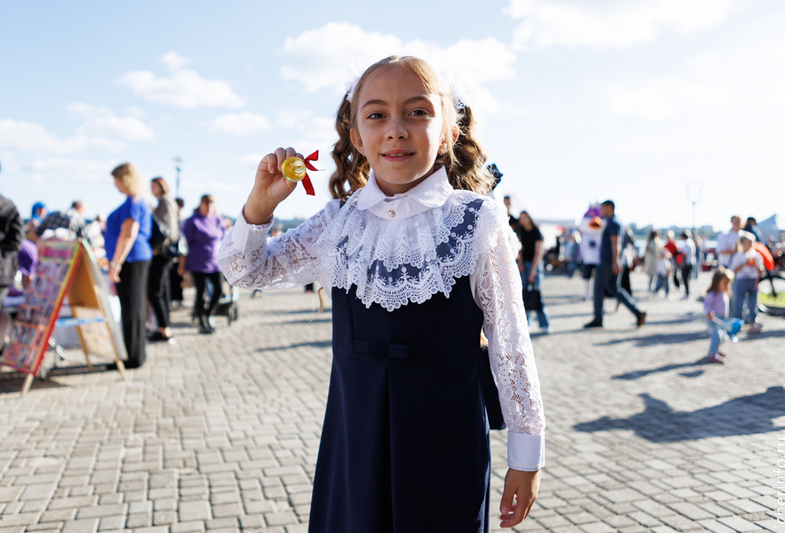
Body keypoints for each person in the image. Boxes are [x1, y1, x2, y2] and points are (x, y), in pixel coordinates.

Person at [218, 56, 544, 531]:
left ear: (449, 132)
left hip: (446, 442)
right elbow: (246, 271)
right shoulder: (339, 222)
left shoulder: (476, 221)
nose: (396, 130)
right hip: (354, 441)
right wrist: (260, 205)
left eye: (417, 112)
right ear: (356, 137)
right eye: (377, 115)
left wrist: (526, 455)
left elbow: (511, 343)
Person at [105, 163, 153, 369]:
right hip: (135, 259)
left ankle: (133, 356)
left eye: (116, 180)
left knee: (131, 309)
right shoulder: (137, 200)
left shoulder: (133, 201)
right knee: (135, 308)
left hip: (132, 260)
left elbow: (128, 234)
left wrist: (116, 264)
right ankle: (135, 354)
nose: (115, 185)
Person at [584, 200, 646, 328]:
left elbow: (616, 242)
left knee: (598, 289)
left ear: (609, 208)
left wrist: (615, 261)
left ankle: (598, 319)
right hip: (613, 261)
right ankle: (637, 312)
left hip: (609, 262)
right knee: (615, 289)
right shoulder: (616, 221)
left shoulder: (613, 222)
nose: (601, 210)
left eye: (603, 208)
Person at [180, 194, 226, 335]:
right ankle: (201, 320)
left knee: (219, 290)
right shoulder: (193, 221)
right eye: (207, 202)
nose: (209, 205)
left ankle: (207, 313)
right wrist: (182, 265)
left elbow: (225, 238)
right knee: (201, 292)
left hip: (215, 262)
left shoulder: (218, 219)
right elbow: (184, 244)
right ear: (201, 204)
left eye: (212, 202)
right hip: (197, 262)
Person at [147, 177, 180, 342]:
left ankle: (164, 328)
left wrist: (156, 247)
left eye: (154, 186)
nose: (152, 189)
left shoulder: (164, 202)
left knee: (155, 291)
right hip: (166, 251)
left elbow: (166, 230)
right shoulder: (167, 202)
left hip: (162, 251)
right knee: (162, 290)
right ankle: (164, 327)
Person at [0, 157, 24, 317]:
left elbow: (16, 241)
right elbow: (16, 241)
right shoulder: (8, 206)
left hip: (1, 273)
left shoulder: (8, 207)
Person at [518, 211, 551, 334]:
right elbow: (520, 250)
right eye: (521, 218)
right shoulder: (521, 232)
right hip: (524, 265)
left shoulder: (536, 232)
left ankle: (544, 323)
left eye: (525, 218)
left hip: (534, 265)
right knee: (525, 295)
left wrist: (533, 272)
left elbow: (538, 254)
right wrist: (520, 263)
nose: (523, 220)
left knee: (536, 295)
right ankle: (527, 323)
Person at [729, 231, 764, 332]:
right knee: (738, 303)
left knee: (753, 303)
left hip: (753, 280)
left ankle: (753, 323)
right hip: (741, 280)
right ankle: (738, 324)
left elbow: (761, 271)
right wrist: (745, 263)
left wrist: (756, 264)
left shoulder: (756, 255)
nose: (749, 244)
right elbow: (733, 269)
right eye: (747, 242)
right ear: (742, 243)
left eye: (750, 242)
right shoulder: (738, 255)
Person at [703, 267, 734, 364]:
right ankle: (712, 354)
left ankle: (716, 349)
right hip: (713, 319)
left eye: (728, 283)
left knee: (723, 336)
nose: (727, 286)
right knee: (716, 335)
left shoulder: (724, 293)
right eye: (725, 283)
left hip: (721, 319)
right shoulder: (713, 294)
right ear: (717, 282)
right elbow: (706, 305)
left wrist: (727, 315)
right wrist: (709, 312)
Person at [580, 216, 602, 300]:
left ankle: (593, 293)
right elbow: (582, 247)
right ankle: (587, 293)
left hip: (596, 259)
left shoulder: (600, 234)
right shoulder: (586, 234)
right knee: (587, 278)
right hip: (589, 259)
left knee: (595, 278)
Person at [169, 197, 186, 307]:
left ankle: (179, 298)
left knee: (179, 277)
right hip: (172, 251)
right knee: (171, 277)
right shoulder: (172, 217)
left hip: (180, 251)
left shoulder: (182, 219)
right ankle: (172, 298)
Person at [678, 230, 696, 298]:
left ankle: (687, 292)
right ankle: (687, 292)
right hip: (691, 261)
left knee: (685, 278)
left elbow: (684, 254)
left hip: (687, 263)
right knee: (686, 278)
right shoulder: (690, 241)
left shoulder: (687, 243)